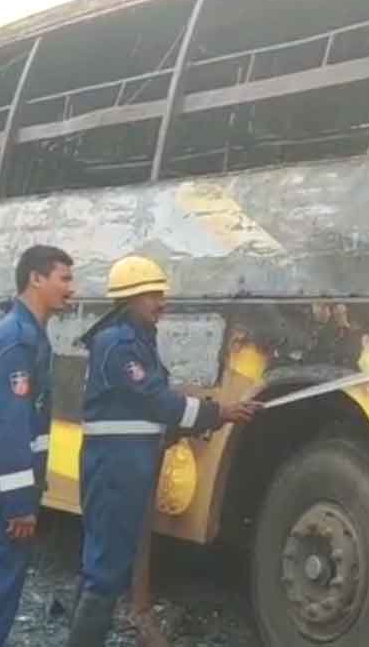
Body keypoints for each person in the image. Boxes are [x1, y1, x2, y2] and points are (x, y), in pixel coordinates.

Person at [66, 255, 261, 646]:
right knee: (106, 569)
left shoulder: (134, 339)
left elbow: (151, 405)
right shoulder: (119, 344)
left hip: (123, 467)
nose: (162, 303)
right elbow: (157, 401)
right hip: (114, 469)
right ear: (130, 299)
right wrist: (217, 413)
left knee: (105, 563)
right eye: (153, 294)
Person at [0, 244, 76, 647]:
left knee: (1, 590)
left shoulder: (28, 335)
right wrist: (21, 503)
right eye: (64, 278)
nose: (71, 289)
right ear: (36, 279)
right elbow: (9, 427)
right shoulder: (19, 341)